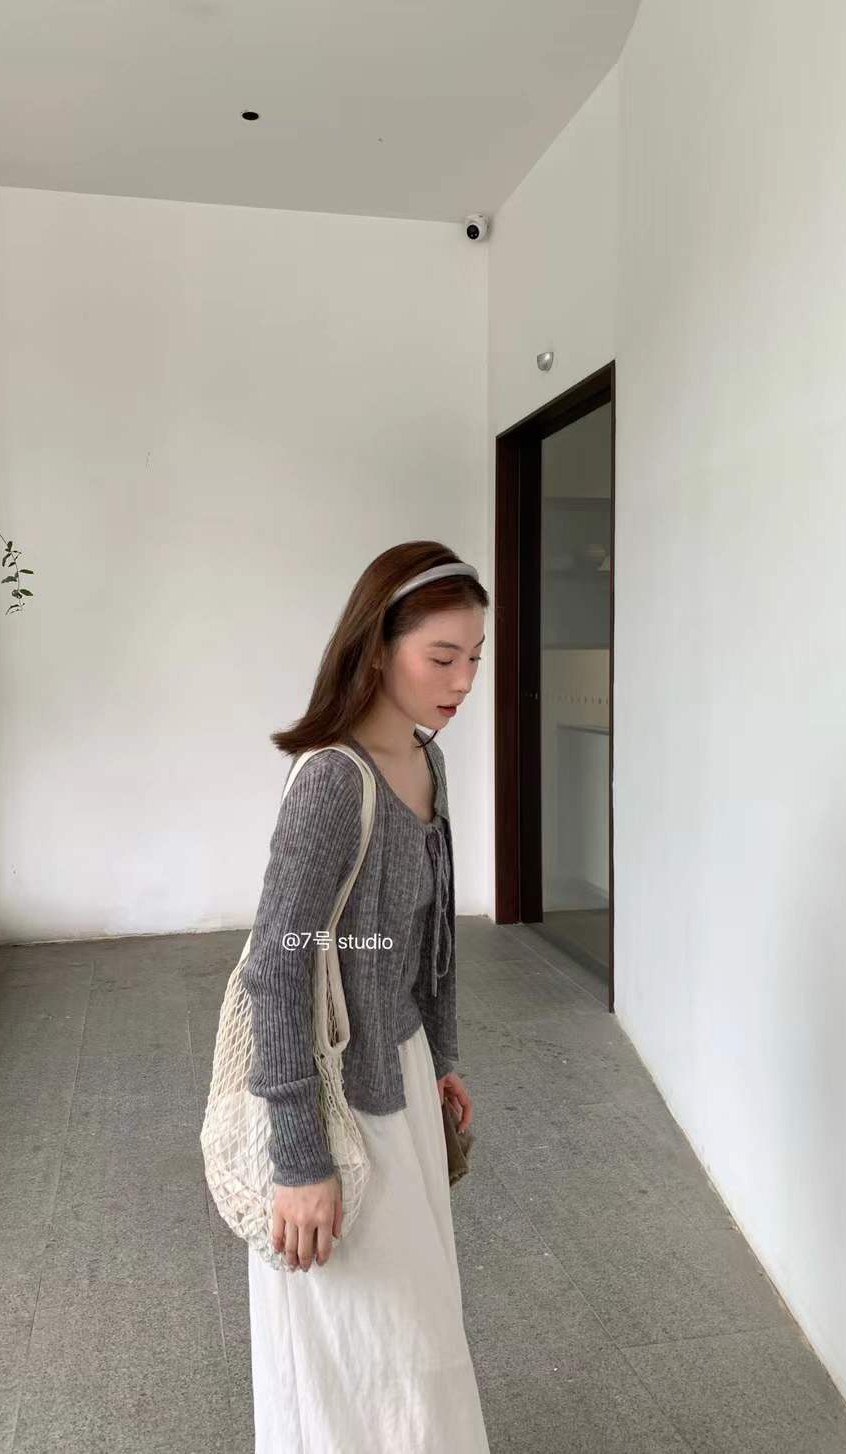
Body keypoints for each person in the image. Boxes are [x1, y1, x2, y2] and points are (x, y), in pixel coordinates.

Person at [241, 541, 492, 1452]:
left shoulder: (427, 762)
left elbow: (431, 943)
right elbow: (278, 969)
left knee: (414, 1342)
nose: (463, 681)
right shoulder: (331, 782)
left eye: (475, 657)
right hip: (335, 1100)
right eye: (442, 656)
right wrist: (299, 1161)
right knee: (374, 1351)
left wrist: (441, 1056)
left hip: (403, 1078)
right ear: (378, 649)